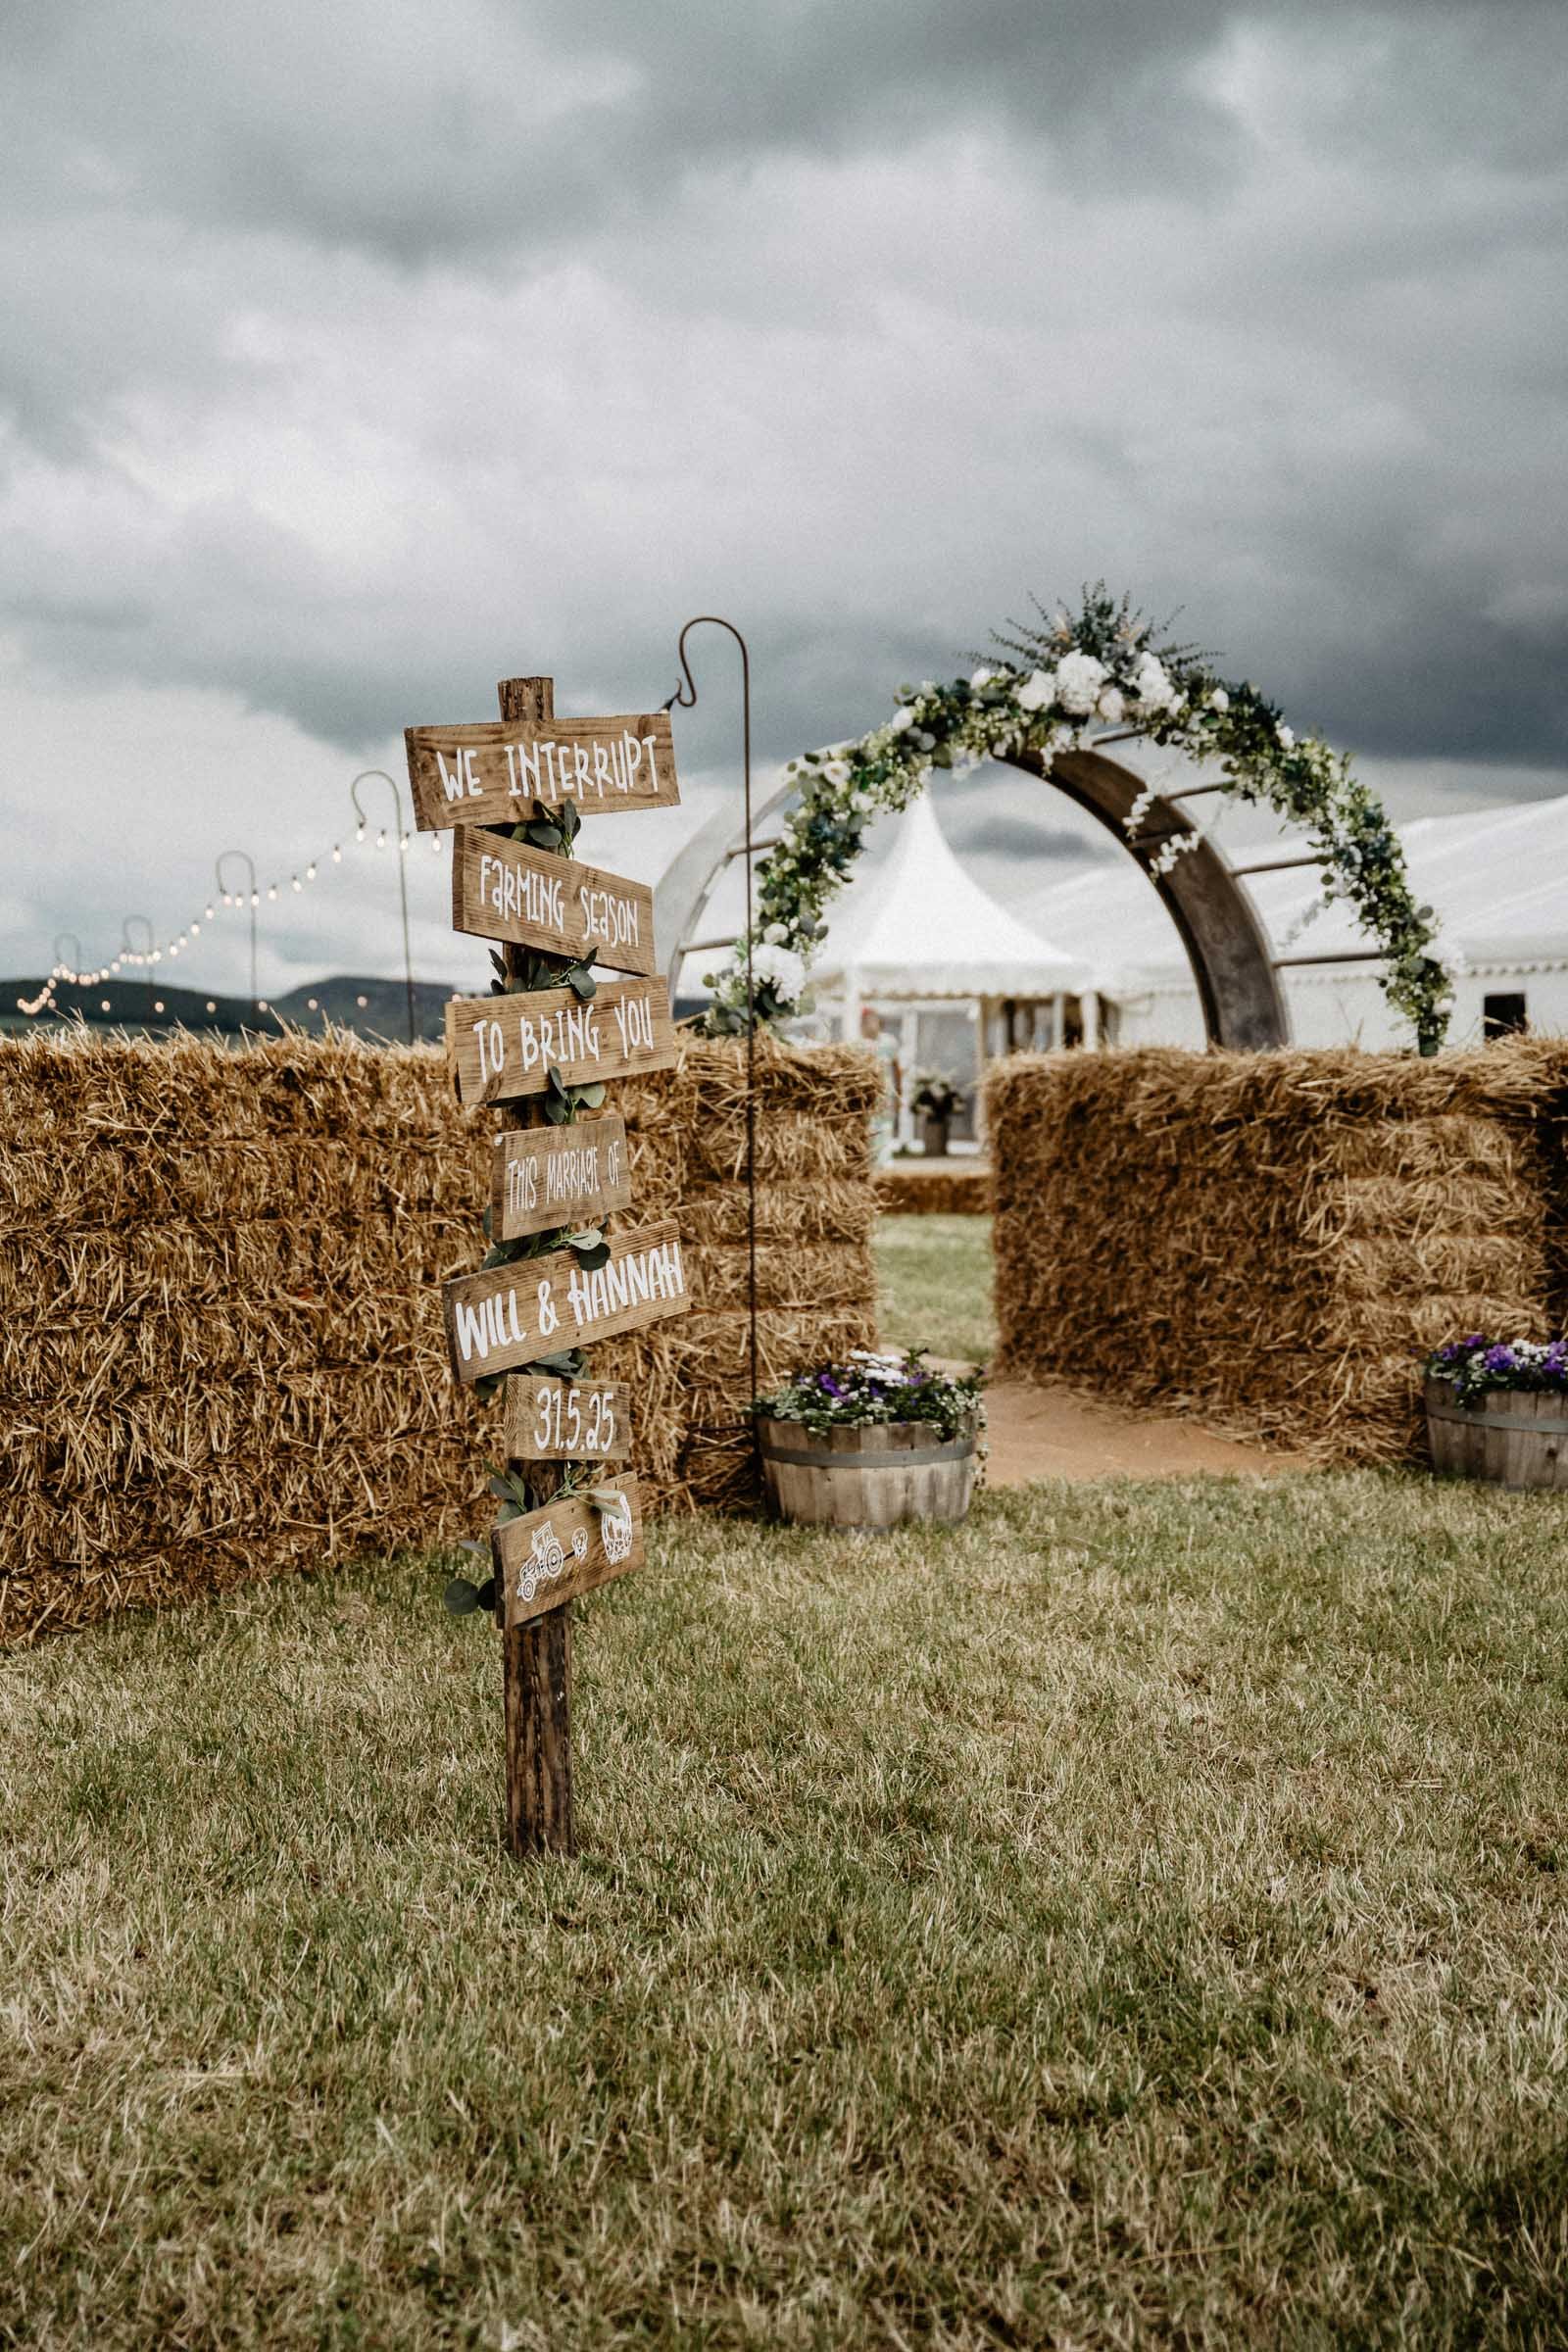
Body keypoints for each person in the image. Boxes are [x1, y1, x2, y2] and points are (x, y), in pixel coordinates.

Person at [860, 1004, 902, 1165]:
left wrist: (899, 1091)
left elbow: (897, 1068)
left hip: (886, 1091)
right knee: (870, 1125)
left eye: (873, 1020)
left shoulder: (889, 1042)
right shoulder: (860, 1044)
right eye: (866, 1021)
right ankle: (872, 1159)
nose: (870, 1024)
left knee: (886, 1125)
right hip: (868, 1092)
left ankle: (885, 1159)